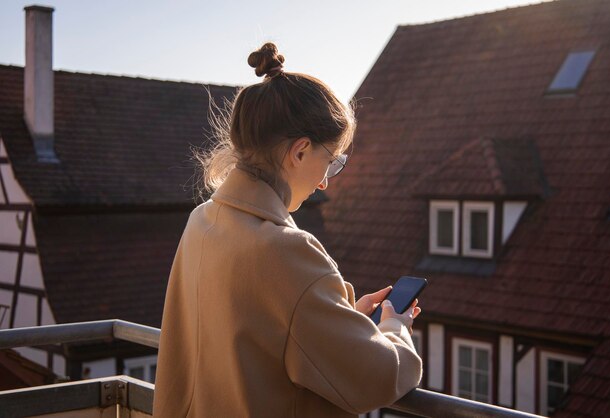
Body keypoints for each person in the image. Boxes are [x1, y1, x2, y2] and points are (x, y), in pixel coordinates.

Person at [153, 43, 422, 418]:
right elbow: (378, 377)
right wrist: (395, 329)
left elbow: (258, 337)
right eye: (330, 162)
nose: (326, 182)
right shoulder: (285, 251)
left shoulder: (202, 221)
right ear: (299, 152)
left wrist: (343, 321)